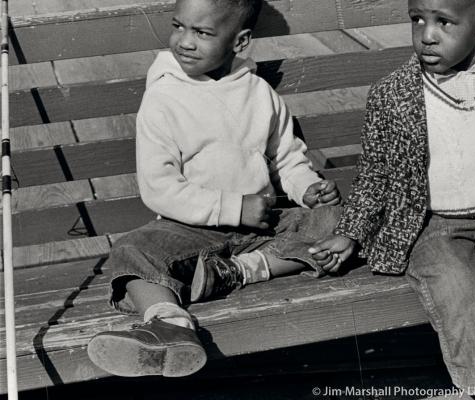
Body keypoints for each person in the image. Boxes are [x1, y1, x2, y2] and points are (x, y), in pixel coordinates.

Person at [309, 0, 475, 398]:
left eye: (444, 22)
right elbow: (375, 173)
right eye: (418, 20)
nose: (427, 34)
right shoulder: (393, 95)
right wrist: (350, 233)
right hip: (432, 225)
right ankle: (473, 386)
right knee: (461, 291)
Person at [86, 0, 341, 378]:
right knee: (131, 250)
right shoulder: (163, 99)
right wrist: (233, 208)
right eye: (178, 26)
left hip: (262, 228)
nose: (184, 41)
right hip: (186, 228)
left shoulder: (260, 94)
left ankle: (239, 271)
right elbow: (159, 187)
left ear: (240, 42)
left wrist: (308, 189)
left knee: (336, 221)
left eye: (202, 32)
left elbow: (287, 158)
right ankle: (168, 323)